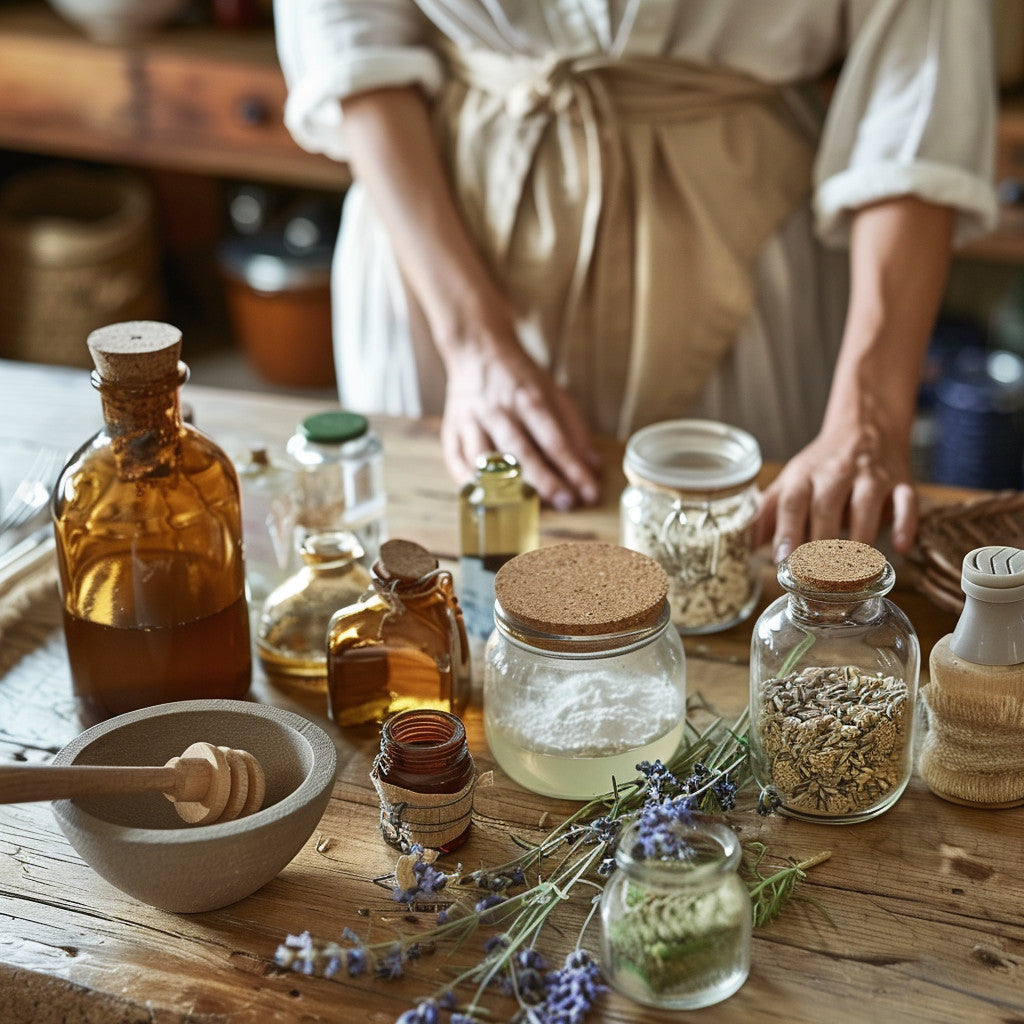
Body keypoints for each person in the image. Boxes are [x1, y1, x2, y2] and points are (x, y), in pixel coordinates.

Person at [274, 0, 998, 562]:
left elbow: (915, 87)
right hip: (441, 247)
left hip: (746, 258)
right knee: (438, 604)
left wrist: (866, 417)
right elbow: (349, 36)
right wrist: (475, 346)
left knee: (742, 597)